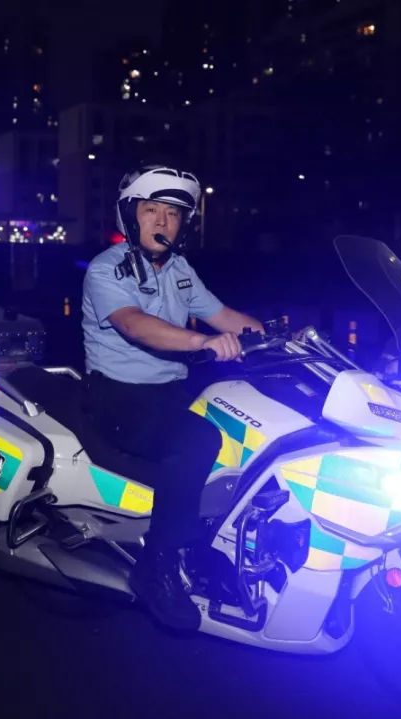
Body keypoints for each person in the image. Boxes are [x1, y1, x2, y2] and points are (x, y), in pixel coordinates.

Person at [81, 164, 264, 630]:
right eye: (152, 210)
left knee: (244, 429)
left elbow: (224, 316)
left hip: (168, 392)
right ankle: (156, 565)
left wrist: (282, 337)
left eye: (174, 213)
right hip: (117, 397)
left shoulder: (180, 270)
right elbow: (134, 324)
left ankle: (207, 544)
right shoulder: (107, 269)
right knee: (199, 440)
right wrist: (202, 341)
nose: (164, 221)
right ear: (131, 215)